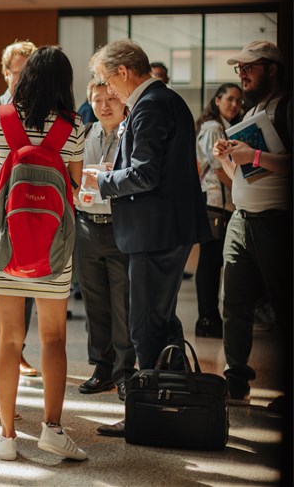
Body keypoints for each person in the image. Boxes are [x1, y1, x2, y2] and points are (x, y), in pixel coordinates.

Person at [86, 39, 209, 438]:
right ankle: (176, 398)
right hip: (164, 228)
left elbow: (144, 174)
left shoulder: (150, 104)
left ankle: (146, 410)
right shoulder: (163, 99)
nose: (108, 91)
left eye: (108, 80)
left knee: (143, 326)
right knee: (160, 318)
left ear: (123, 73)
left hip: (155, 232)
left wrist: (102, 180)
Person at [0, 46, 87, 461]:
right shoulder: (71, 125)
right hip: (54, 245)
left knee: (7, 339)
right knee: (54, 337)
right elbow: (75, 183)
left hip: (5, 243)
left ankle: (7, 437)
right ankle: (53, 430)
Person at [215, 41, 291, 409]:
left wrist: (254, 154)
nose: (242, 74)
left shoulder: (287, 107)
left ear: (272, 69)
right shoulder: (253, 111)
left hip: (277, 220)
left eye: (250, 67)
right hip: (241, 219)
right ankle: (236, 381)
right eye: (239, 69)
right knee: (235, 304)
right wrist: (231, 158)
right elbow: (243, 176)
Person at [74, 79, 135, 399]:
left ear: (123, 100)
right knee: (94, 303)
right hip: (86, 226)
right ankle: (101, 366)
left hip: (119, 227)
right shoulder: (83, 135)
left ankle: (125, 370)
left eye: (111, 99)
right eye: (97, 100)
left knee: (122, 303)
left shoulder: (133, 135)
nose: (104, 106)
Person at [0, 40, 40, 377]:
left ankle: (16, 351)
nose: (21, 79)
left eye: (27, 72)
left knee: (28, 283)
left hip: (32, 208)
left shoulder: (40, 109)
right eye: (16, 72)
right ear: (6, 73)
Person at [194, 83, 242, 338]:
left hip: (223, 204)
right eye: (230, 99)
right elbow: (218, 167)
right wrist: (242, 188)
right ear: (217, 101)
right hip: (215, 203)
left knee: (214, 262)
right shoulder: (213, 127)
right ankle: (207, 319)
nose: (234, 105)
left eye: (238, 101)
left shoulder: (224, 126)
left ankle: (210, 317)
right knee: (210, 263)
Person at [0, 41, 37, 110]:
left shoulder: (45, 109)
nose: (26, 78)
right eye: (19, 73)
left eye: (30, 73)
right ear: (6, 73)